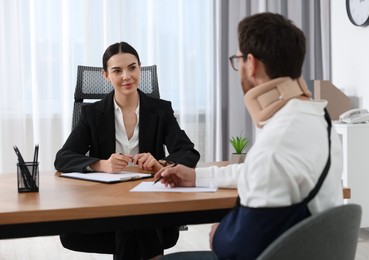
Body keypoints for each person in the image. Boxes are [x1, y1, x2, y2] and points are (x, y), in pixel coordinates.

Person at [156, 12, 343, 259]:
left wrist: (220, 233)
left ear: (251, 63)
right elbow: (257, 171)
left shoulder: (278, 141)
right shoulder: (320, 120)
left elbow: (240, 248)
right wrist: (195, 176)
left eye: (239, 59)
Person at [54, 41, 200, 260]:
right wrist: (101, 164)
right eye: (117, 71)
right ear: (106, 75)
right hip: (107, 204)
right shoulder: (92, 113)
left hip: (150, 199)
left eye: (132, 67)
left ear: (140, 68)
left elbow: (188, 152)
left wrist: (162, 164)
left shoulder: (161, 110)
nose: (126, 76)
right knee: (134, 221)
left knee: (134, 219)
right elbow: (62, 158)